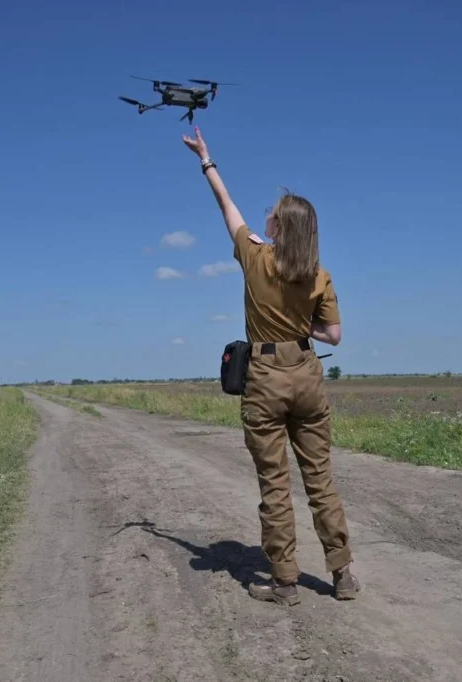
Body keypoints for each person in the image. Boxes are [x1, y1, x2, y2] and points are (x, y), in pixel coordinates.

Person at [181, 126, 359, 606]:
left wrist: (206, 160)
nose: (266, 216)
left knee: (275, 483)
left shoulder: (257, 258)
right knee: (320, 479)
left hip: (264, 377)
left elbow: (226, 206)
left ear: (281, 227)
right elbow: (335, 337)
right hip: (306, 371)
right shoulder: (319, 275)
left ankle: (285, 582)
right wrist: (302, 329)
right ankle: (342, 574)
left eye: (273, 215)